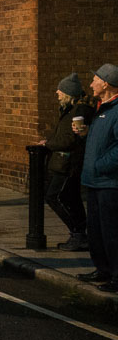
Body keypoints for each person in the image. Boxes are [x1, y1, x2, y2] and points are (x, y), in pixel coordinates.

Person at [77, 63, 118, 293]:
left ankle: (116, 275)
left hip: (109, 183)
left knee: (111, 231)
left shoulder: (116, 110)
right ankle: (102, 269)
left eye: (95, 79)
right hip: (94, 181)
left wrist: (100, 165)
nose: (91, 83)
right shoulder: (102, 108)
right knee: (96, 230)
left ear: (106, 83)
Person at [40, 73, 93, 251]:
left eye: (60, 90)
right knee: (71, 198)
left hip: (68, 164)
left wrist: (48, 144)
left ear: (69, 93)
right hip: (64, 162)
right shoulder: (70, 109)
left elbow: (70, 140)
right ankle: (80, 234)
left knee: (54, 196)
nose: (57, 92)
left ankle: (78, 233)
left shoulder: (79, 111)